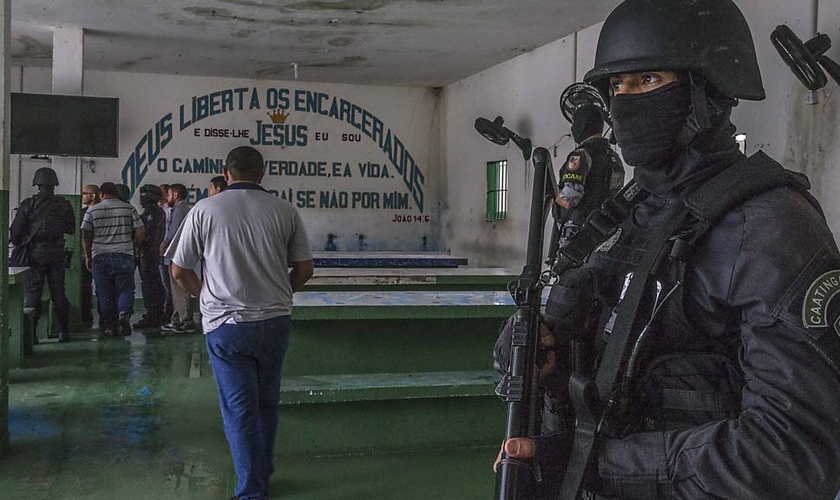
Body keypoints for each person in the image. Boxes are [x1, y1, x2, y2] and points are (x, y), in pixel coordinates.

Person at [494, 1, 840, 499]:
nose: (625, 101)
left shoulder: (772, 229)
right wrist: (549, 359)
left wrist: (590, 463)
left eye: (649, 80)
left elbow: (792, 455)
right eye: (617, 86)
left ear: (709, 91)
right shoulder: (632, 213)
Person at [167, 145, 314, 500]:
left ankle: (251, 491)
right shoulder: (285, 210)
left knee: (239, 409)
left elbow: (178, 271)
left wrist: (206, 296)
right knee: (266, 404)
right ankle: (261, 471)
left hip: (227, 325)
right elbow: (305, 270)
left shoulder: (205, 209)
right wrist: (278, 293)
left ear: (226, 173)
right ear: (262, 174)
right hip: (275, 323)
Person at [10, 167, 75, 342]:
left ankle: (31, 335)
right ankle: (63, 332)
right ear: (55, 184)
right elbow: (71, 229)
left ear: (37, 184)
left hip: (35, 254)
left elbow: (15, 234)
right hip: (57, 253)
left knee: (33, 294)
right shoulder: (65, 204)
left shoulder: (28, 204)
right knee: (58, 293)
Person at [552, 104, 624, 251]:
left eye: (574, 123)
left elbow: (568, 200)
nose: (572, 129)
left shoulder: (580, 155)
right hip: (606, 233)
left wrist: (551, 195)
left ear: (583, 124)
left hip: (579, 235)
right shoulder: (613, 157)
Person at [81, 182, 145, 337]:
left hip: (100, 255)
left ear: (101, 194)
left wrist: (88, 255)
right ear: (117, 193)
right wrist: (135, 246)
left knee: (104, 293)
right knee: (125, 288)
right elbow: (140, 230)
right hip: (125, 254)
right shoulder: (129, 208)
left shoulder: (92, 211)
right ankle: (124, 315)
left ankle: (109, 326)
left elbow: (85, 235)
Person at [133, 184, 167, 329]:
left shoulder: (151, 213)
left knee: (150, 284)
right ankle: (154, 313)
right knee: (152, 283)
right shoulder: (156, 211)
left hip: (148, 253)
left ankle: (153, 315)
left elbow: (145, 234)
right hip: (151, 253)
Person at [80, 184, 101, 327]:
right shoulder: (81, 212)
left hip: (100, 253)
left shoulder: (103, 211)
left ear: (92, 196)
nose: (82, 196)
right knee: (84, 286)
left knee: (103, 286)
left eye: (84, 193)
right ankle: (86, 313)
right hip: (84, 254)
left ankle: (104, 315)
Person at [157, 183, 173, 320]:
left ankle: (168, 311)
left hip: (166, 250)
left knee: (167, 283)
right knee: (160, 282)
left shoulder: (169, 210)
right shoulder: (156, 209)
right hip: (156, 250)